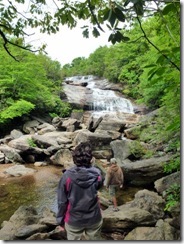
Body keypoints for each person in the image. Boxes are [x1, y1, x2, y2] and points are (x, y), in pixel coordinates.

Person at [56, 142, 104, 240]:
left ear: (75, 159)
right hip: (94, 217)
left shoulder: (67, 177)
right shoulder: (98, 174)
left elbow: (62, 202)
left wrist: (60, 221)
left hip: (73, 219)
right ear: (91, 159)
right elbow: (98, 187)